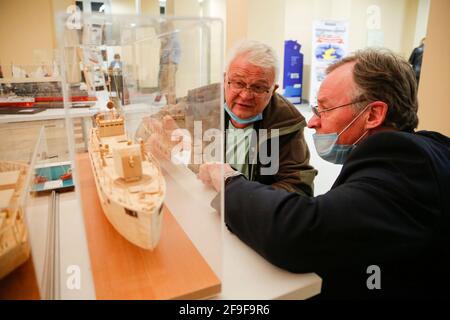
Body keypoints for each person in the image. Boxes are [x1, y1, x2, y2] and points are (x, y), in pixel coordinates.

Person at [198, 48, 450, 299]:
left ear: (372, 114)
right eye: (237, 83)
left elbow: (299, 233)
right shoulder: (422, 151)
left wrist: (230, 181)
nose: (312, 121)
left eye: (325, 110)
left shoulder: (405, 161)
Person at [221, 40, 316, 195]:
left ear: (273, 90)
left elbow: (299, 188)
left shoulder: (287, 122)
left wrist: (243, 196)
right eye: (238, 83)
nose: (245, 95)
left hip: (252, 214)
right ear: (225, 80)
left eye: (258, 87)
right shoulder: (202, 103)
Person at [155, 21, 181, 105]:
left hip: (170, 64)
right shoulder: (167, 39)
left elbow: (170, 53)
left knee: (170, 87)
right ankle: (169, 104)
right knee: (166, 86)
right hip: (166, 64)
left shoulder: (173, 38)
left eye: (162, 30)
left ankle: (170, 105)